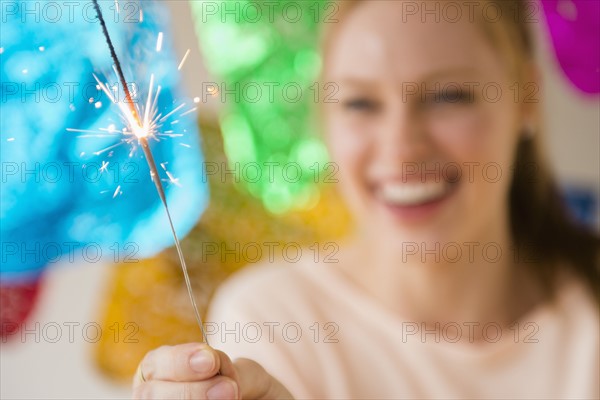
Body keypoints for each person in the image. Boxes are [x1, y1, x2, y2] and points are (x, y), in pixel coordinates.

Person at [132, 1, 599, 399]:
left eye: (448, 96)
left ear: (526, 97)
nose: (401, 146)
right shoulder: (273, 324)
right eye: (360, 103)